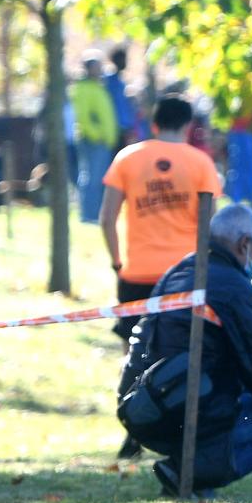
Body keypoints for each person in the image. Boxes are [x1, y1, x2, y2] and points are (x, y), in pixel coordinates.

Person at [116, 204, 252, 497]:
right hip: (186, 410)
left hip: (142, 407)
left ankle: (193, 466)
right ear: (244, 244)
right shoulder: (235, 288)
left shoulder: (179, 272)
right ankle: (192, 471)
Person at [102, 97, 224, 350]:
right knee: (182, 355)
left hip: (137, 271)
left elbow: (106, 219)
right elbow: (211, 224)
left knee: (133, 355)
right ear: (188, 126)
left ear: (154, 124)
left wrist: (117, 262)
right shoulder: (201, 162)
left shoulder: (127, 158)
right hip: (186, 273)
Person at [71, 52, 119, 224]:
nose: (101, 70)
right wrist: (96, 135)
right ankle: (89, 215)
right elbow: (83, 117)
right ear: (88, 69)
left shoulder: (98, 86)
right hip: (93, 141)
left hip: (103, 141)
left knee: (98, 179)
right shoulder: (83, 88)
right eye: (97, 67)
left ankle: (96, 214)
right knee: (91, 178)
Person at [105, 46, 144, 146]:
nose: (125, 62)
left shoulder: (121, 81)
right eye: (122, 59)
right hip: (116, 128)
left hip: (126, 127)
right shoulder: (109, 80)